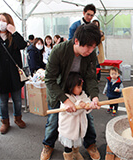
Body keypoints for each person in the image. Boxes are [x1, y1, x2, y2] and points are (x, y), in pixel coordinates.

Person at [40, 23, 101, 160]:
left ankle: (90, 144)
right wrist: (65, 100)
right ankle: (48, 145)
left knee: (87, 120)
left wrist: (94, 97)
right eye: (88, 46)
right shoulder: (59, 51)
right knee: (54, 121)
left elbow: (91, 78)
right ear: (77, 41)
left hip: (79, 91)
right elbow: (49, 79)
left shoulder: (90, 54)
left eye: (94, 46)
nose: (91, 50)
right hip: (59, 91)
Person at [0, 12, 27, 134]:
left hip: (14, 75)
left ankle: (18, 118)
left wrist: (14, 32)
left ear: (9, 23)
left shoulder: (13, 37)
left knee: (17, 100)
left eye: (4, 20)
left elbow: (23, 45)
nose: (1, 23)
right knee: (2, 102)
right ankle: (5, 122)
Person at [58, 72, 92, 160]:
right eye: (78, 87)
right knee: (68, 144)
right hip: (69, 128)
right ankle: (68, 156)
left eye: (81, 86)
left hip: (79, 126)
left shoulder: (82, 94)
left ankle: (76, 153)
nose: (81, 89)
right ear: (70, 86)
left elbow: (87, 101)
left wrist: (88, 106)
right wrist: (79, 104)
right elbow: (73, 112)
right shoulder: (65, 98)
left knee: (77, 141)